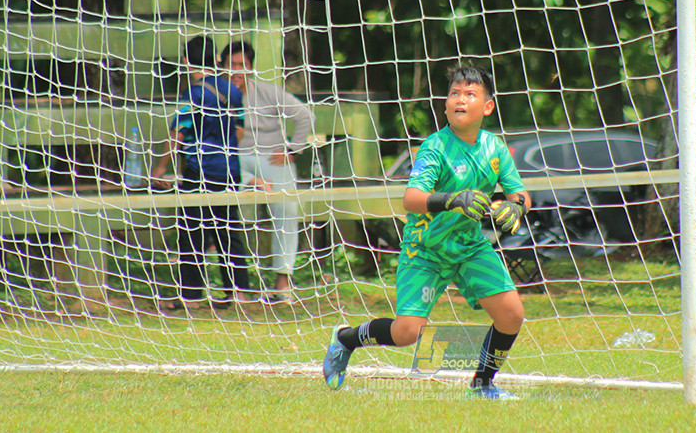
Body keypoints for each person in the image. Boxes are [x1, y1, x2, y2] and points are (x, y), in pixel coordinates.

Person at [322, 64, 531, 399]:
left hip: (469, 247)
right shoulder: (434, 147)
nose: (460, 100)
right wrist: (452, 199)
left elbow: (519, 192)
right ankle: (346, 338)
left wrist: (517, 206)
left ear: (487, 107)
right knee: (407, 332)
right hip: (426, 250)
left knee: (512, 314)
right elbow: (412, 199)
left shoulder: (495, 148)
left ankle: (482, 383)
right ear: (446, 105)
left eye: (470, 94)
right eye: (454, 94)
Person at [151, 35, 256, 310]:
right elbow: (240, 129)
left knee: (191, 231)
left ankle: (192, 296)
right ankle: (238, 292)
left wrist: (161, 168)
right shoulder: (232, 91)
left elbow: (178, 135)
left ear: (186, 61)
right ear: (217, 60)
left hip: (200, 171)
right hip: (229, 170)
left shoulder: (193, 94)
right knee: (228, 231)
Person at [220, 40, 313, 303]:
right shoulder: (215, 93)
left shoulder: (268, 92)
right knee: (222, 204)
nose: (237, 71)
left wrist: (293, 150)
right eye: (231, 65)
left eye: (242, 65)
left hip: (272, 159)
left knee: (287, 207)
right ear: (222, 67)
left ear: (251, 68)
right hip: (233, 160)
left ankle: (282, 280)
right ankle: (236, 284)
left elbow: (306, 116)